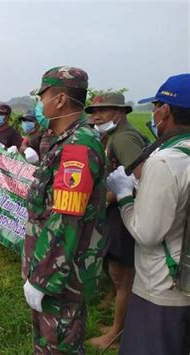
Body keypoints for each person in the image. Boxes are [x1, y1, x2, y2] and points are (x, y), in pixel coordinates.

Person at [22, 66, 106, 353]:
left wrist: (43, 279)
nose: (39, 103)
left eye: (42, 96)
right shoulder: (62, 141)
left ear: (59, 100)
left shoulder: (77, 146)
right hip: (52, 270)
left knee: (57, 346)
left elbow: (66, 217)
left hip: (61, 277)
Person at [107, 74, 190, 355]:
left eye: (155, 106)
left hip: (163, 288)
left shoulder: (165, 161)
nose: (154, 114)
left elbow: (147, 233)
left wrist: (124, 196)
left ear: (165, 110)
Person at [85, 92, 147, 349]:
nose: (96, 116)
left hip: (124, 214)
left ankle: (117, 333)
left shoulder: (124, 139)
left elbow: (143, 178)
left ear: (120, 113)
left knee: (123, 277)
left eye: (104, 111)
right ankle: (117, 320)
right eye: (94, 112)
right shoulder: (113, 136)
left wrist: (110, 198)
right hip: (117, 210)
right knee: (117, 274)